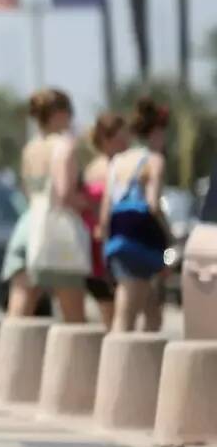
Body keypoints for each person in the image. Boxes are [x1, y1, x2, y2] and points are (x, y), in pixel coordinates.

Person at [1, 88, 88, 324]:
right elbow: (63, 195)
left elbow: (28, 192)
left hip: (26, 228)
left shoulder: (30, 148)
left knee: (18, 316)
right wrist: (88, 203)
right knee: (74, 323)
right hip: (55, 234)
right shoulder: (64, 146)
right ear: (59, 114)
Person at [101, 98, 171, 333]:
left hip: (118, 240)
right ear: (156, 132)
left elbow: (106, 209)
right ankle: (119, 366)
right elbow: (153, 204)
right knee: (127, 311)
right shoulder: (154, 160)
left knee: (152, 312)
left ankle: (147, 364)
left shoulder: (117, 162)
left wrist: (105, 249)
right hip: (142, 242)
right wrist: (168, 237)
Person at [83, 113, 130, 328]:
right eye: (121, 139)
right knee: (114, 311)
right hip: (105, 243)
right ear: (106, 140)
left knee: (110, 311)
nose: (126, 143)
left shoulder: (92, 168)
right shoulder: (111, 169)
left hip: (97, 241)